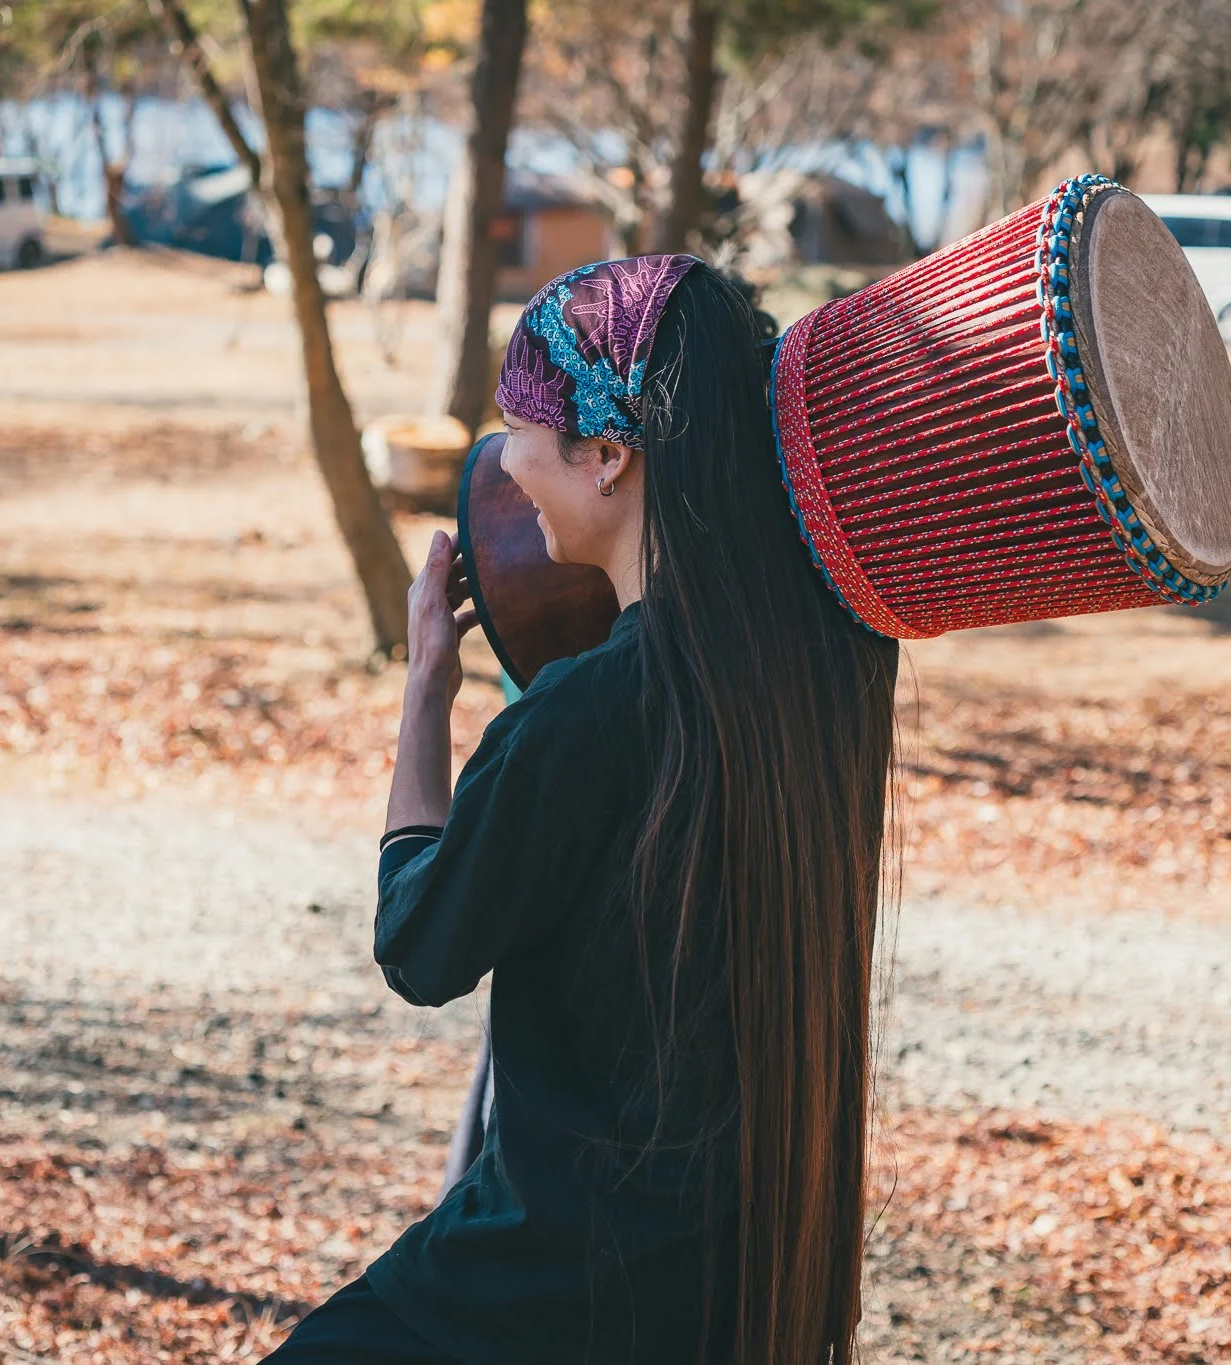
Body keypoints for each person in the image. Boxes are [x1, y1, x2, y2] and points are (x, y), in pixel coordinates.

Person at [262, 256, 900, 1365]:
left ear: (609, 456)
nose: (501, 463)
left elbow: (419, 944)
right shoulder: (829, 673)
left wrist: (424, 688)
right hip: (743, 1288)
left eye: (520, 428)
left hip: (554, 1281)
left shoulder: (585, 716)